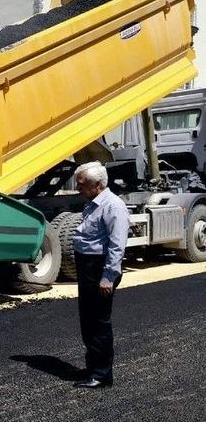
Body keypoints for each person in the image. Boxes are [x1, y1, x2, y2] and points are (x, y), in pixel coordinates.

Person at [71, 161, 129, 389]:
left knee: (99, 322)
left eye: (82, 184)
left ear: (97, 185)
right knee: (88, 320)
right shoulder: (93, 203)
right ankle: (93, 367)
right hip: (88, 267)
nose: (78, 188)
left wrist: (108, 277)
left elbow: (117, 246)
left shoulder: (113, 206)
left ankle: (102, 375)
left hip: (100, 269)